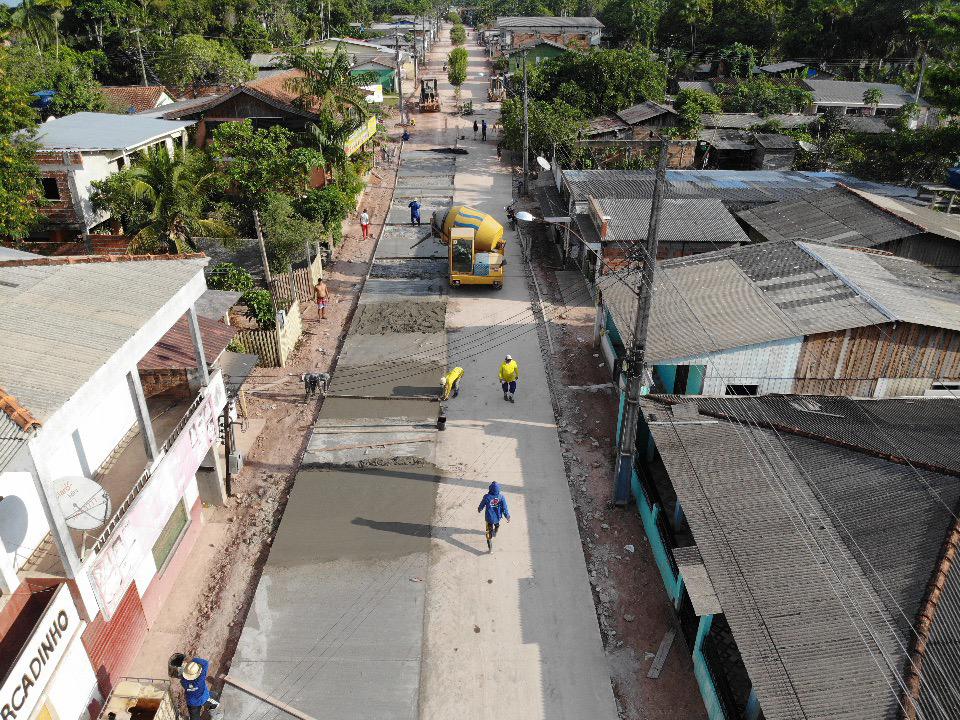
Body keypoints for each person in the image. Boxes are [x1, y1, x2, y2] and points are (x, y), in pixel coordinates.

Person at [477, 481, 510, 552]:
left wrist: (479, 509)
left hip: (489, 518)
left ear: (490, 489)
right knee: (497, 524)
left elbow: (482, 504)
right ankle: (496, 531)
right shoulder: (501, 497)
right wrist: (507, 516)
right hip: (497, 517)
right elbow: (505, 508)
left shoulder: (487, 497)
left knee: (488, 532)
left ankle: (490, 547)